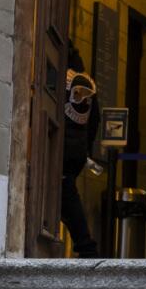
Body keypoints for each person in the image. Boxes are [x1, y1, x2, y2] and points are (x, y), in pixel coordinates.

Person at [60, 42, 100, 259]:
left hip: (61, 149)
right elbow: (95, 119)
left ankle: (86, 247)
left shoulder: (61, 77)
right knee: (64, 195)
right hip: (77, 151)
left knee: (66, 197)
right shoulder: (87, 81)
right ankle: (85, 246)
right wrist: (86, 148)